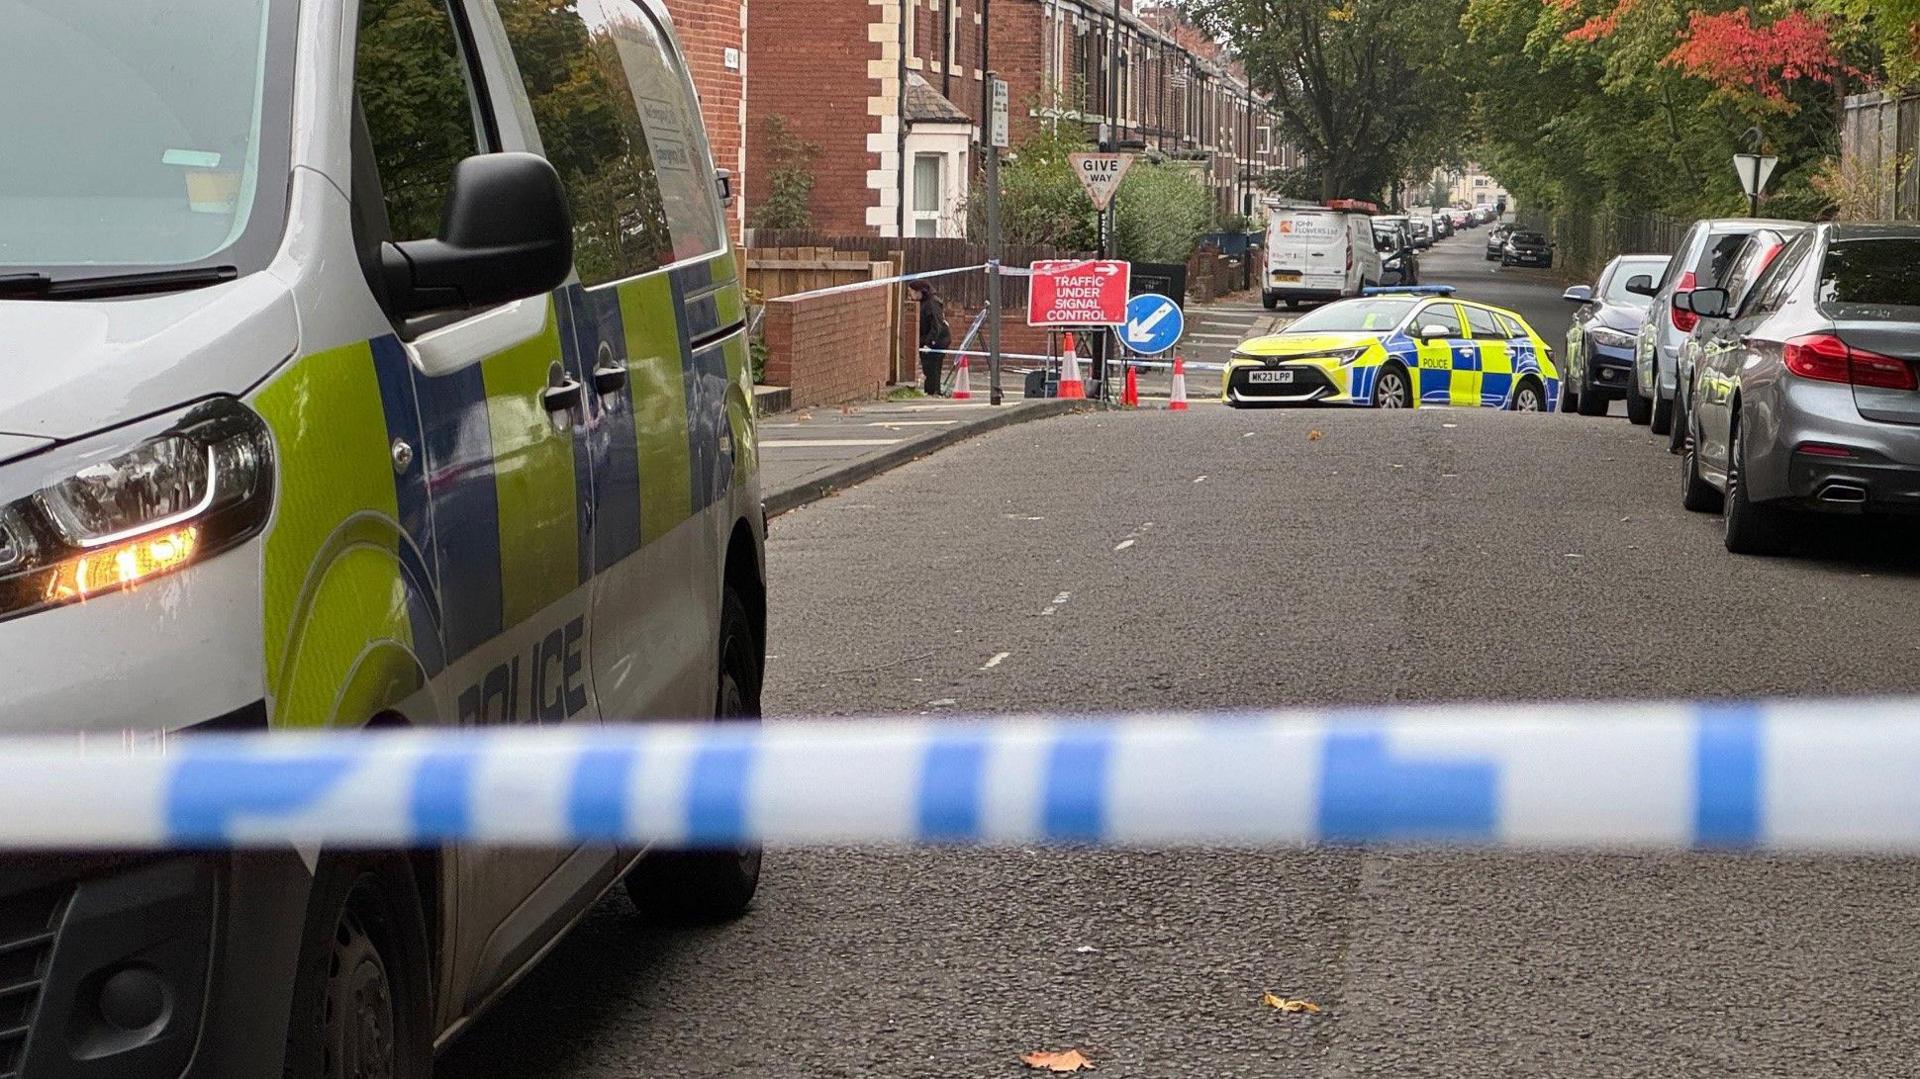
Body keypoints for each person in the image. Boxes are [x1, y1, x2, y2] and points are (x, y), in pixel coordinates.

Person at [912, 280, 951, 396]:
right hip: (929, 340)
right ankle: (932, 391)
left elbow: (936, 325)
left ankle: (933, 391)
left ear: (920, 292)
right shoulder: (925, 303)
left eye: (912, 292)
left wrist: (929, 344)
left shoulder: (932, 304)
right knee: (928, 367)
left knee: (932, 366)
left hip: (938, 340)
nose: (911, 295)